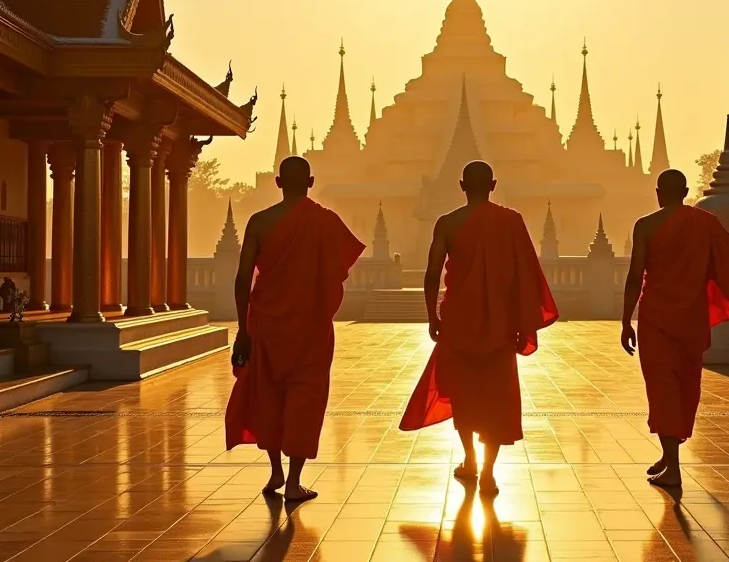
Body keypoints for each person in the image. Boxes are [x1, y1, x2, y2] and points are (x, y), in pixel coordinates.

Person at [399, 161, 558, 495]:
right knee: (496, 399)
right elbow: (525, 276)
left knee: (464, 395)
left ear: (461, 185)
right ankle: (487, 471)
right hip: (500, 324)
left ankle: (470, 459)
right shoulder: (510, 222)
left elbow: (431, 275)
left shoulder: (448, 224)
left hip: (459, 322)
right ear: (493, 185)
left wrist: (432, 316)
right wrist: (522, 320)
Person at [224, 156, 365, 503]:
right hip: (310, 327)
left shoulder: (259, 222)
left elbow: (243, 279)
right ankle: (293, 481)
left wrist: (243, 329)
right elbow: (338, 271)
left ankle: (275, 471)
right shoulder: (325, 222)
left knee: (268, 394)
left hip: (266, 324)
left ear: (278, 182)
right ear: (311, 182)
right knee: (305, 399)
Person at [622, 168, 729, 489]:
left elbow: (635, 276)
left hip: (656, 317)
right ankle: (668, 455)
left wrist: (625, 319)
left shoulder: (646, 226)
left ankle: (672, 465)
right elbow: (726, 257)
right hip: (690, 316)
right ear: (686, 191)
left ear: (659, 193)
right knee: (685, 384)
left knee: (663, 389)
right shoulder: (705, 225)